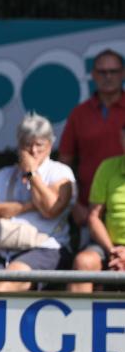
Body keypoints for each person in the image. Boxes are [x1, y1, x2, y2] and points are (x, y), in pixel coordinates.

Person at [0, 114, 75, 292]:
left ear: (50, 145)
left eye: (39, 145)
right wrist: (28, 206)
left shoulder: (61, 173)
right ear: (19, 146)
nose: (33, 151)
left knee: (3, 287)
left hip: (44, 247)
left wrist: (32, 173)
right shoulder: (3, 175)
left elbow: (50, 209)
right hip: (0, 247)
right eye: (27, 145)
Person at [59, 49, 125, 229]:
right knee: (89, 250)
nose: (108, 76)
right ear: (93, 75)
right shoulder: (79, 114)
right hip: (89, 208)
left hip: (122, 205)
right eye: (102, 72)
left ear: (123, 73)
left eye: (113, 71)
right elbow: (64, 164)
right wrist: (73, 203)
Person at [69, 125, 125, 293]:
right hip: (109, 247)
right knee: (83, 262)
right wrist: (113, 252)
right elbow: (94, 217)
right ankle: (76, 313)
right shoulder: (107, 167)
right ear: (122, 138)